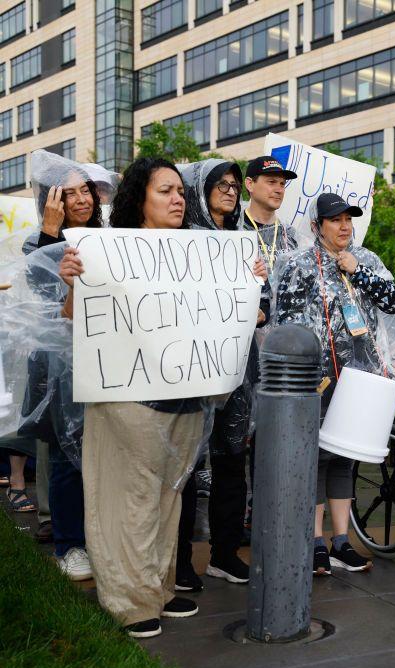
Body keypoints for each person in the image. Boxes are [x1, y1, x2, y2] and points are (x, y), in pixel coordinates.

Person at [57, 158, 266, 639]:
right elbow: (74, 319)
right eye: (164, 191)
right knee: (130, 501)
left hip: (185, 401)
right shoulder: (104, 250)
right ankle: (129, 602)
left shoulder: (205, 251)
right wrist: (73, 282)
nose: (176, 199)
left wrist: (246, 281)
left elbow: (238, 317)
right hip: (128, 400)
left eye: (179, 191)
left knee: (168, 499)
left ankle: (159, 586)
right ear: (140, 200)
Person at [274, 192, 395, 575]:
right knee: (315, 456)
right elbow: (286, 318)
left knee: (344, 457)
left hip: (357, 376)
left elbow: (393, 303)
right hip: (316, 377)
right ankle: (314, 542)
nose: (345, 226)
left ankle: (341, 541)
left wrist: (356, 272)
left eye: (349, 220)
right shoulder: (297, 264)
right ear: (318, 226)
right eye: (336, 220)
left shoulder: (366, 260)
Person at [19, 150, 107, 581]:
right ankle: (69, 544)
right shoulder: (40, 240)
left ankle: (99, 538)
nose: (80, 200)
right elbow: (42, 289)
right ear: (51, 200)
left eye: (85, 190)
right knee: (66, 457)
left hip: (107, 362)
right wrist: (52, 233)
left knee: (103, 456)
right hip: (61, 371)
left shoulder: (111, 236)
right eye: (67, 193)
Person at [175, 159, 258, 588]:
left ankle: (225, 553)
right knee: (187, 466)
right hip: (190, 367)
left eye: (233, 185)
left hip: (236, 369)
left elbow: (262, 310)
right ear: (199, 190)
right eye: (220, 184)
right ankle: (182, 561)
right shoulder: (180, 240)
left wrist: (259, 288)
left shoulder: (245, 240)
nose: (229, 191)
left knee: (231, 462)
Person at [242, 156, 298, 271]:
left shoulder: (291, 235)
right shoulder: (233, 229)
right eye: (271, 182)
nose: (279, 190)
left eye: (282, 184)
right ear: (250, 184)